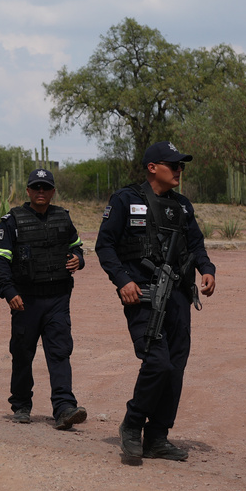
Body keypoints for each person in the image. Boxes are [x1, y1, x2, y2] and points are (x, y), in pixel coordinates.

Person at [95, 141, 216, 460]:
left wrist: (207, 269)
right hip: (144, 296)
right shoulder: (125, 199)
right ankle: (132, 426)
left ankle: (157, 437)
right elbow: (104, 245)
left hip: (179, 297)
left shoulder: (183, 206)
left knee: (175, 368)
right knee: (157, 362)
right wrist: (123, 280)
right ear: (152, 167)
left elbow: (196, 243)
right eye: (173, 165)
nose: (179, 170)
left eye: (182, 166)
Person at [0, 168, 89, 430]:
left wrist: (78, 259)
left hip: (58, 299)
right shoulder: (12, 220)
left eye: (46, 188)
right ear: (28, 190)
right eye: (36, 187)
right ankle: (22, 405)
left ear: (53, 191)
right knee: (22, 354)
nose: (41, 192)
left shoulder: (63, 218)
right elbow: (0, 260)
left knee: (59, 352)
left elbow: (77, 247)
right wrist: (9, 292)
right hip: (26, 300)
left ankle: (64, 408)